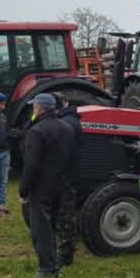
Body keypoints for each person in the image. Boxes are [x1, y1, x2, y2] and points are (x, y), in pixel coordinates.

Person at [20, 94, 74, 278]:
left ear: (39, 108)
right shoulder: (67, 128)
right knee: (52, 225)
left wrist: (24, 189)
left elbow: (31, 164)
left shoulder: (36, 131)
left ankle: (47, 268)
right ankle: (54, 261)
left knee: (41, 228)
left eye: (34, 106)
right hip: (61, 183)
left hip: (41, 185)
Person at [56, 101, 83, 268]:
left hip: (65, 175)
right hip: (68, 173)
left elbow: (64, 153)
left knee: (65, 215)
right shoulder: (71, 120)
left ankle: (66, 254)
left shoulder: (67, 124)